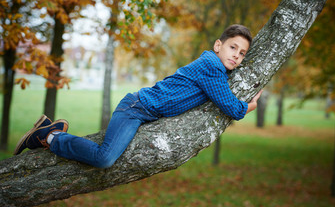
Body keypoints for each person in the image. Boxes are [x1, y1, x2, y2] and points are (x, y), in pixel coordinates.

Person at [14, 24, 263, 168]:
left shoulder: (215, 68)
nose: (237, 56)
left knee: (106, 158)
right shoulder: (212, 66)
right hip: (135, 108)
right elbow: (233, 109)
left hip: (146, 113)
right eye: (233, 48)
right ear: (218, 45)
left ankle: (50, 132)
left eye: (242, 54)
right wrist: (250, 105)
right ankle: (51, 135)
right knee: (104, 158)